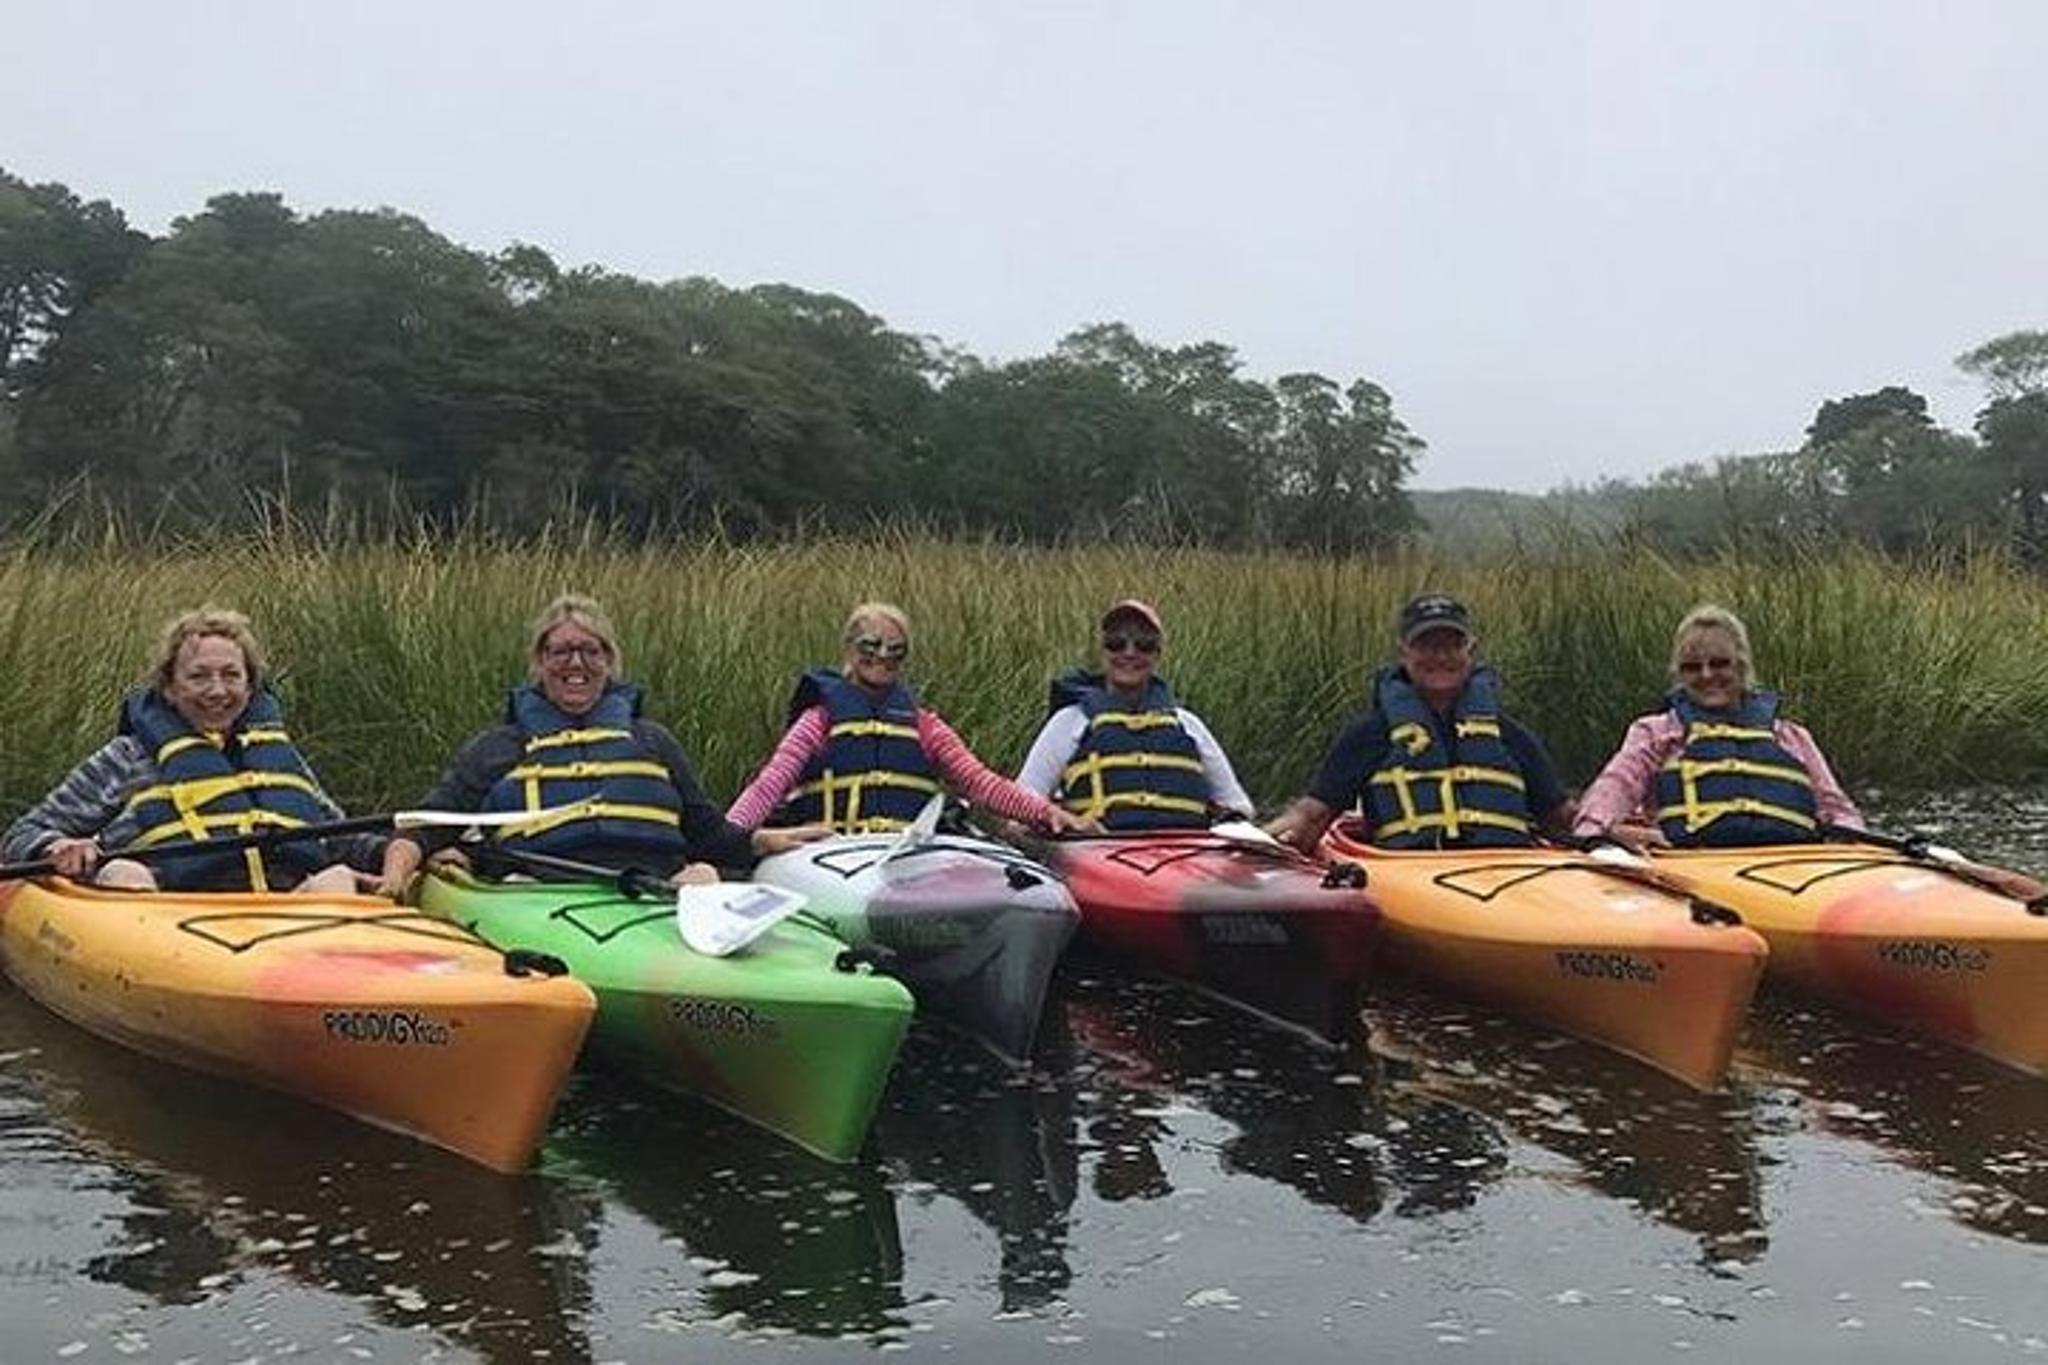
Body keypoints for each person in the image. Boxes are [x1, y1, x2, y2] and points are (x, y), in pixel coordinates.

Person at [377, 594, 822, 894]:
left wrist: (764, 840)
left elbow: (707, 832)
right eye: (562, 651)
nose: (577, 663)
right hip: (539, 895)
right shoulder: (499, 747)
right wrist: (396, 875)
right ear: (540, 662)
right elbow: (428, 823)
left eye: (591, 652)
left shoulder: (652, 741)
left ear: (609, 662)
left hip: (653, 894)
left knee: (704, 875)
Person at [1, 606, 375, 893]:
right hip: (171, 911)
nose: (217, 691)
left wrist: (401, 850)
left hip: (283, 907)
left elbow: (342, 837)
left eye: (231, 675)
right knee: (123, 873)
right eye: (198, 676)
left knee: (336, 878)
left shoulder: (280, 757)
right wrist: (55, 846)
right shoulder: (128, 756)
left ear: (249, 687)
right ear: (169, 688)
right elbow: (25, 832)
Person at [727, 600, 1096, 837]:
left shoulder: (926, 727)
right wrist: (728, 837)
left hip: (903, 857)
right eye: (870, 646)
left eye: (895, 650)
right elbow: (767, 788)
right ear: (850, 650)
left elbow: (982, 784)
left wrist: (1046, 813)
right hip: (831, 854)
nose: (882, 657)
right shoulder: (817, 722)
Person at [1265, 593, 1569, 853]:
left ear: (1470, 650)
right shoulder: (1370, 734)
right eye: (1426, 646)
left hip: (1506, 871)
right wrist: (1262, 842)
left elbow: (1559, 820)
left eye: (1451, 646)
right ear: (1404, 652)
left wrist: (1606, 834)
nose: (1439, 657)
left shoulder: (1511, 736)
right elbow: (1312, 815)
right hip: (1409, 872)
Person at [1572, 603, 1859, 851]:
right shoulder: (1655, 733)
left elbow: (1837, 810)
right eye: (1692, 668)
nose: (1707, 675)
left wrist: (1849, 843)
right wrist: (1597, 833)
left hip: (1789, 863)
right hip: (1694, 862)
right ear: (1679, 674)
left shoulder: (1790, 737)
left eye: (1720, 664)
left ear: (1742, 666)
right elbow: (1615, 787)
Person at [1014, 599, 1255, 829]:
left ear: (1157, 654)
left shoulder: (1187, 724)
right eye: (1116, 643)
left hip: (1183, 854)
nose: (1129, 653)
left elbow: (1239, 808)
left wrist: (1224, 821)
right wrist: (1058, 819)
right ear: (1103, 651)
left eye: (1144, 645)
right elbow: (1020, 807)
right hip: (1098, 854)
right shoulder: (1070, 722)